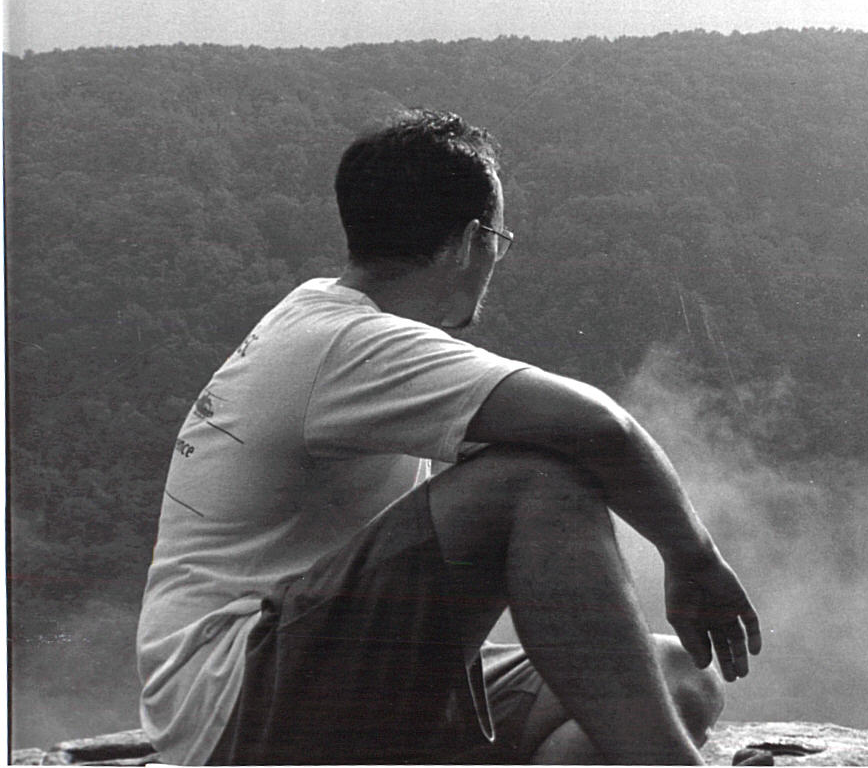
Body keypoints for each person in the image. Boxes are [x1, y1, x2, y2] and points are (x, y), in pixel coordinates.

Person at [136, 109, 762, 765]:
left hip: (310, 678)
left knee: (678, 679)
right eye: (500, 238)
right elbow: (599, 427)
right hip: (235, 700)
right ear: (471, 240)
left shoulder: (324, 319)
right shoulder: (345, 344)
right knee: (535, 483)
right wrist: (693, 558)